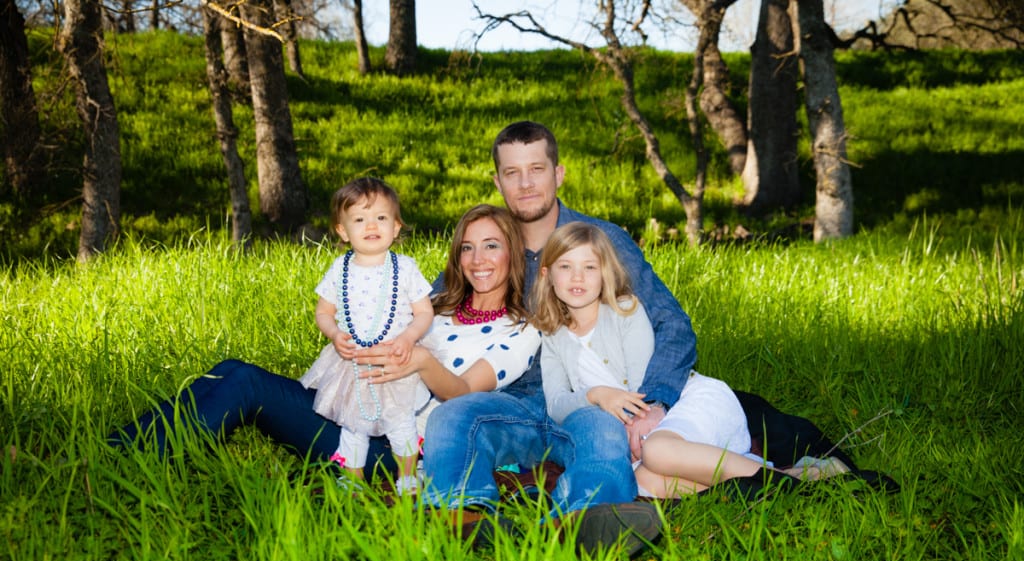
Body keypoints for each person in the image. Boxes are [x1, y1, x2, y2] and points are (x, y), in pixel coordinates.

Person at [108, 205, 542, 493]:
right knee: (232, 370)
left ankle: (125, 462)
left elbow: (464, 393)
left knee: (247, 385)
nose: (477, 258)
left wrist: (423, 361)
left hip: (391, 450)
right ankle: (127, 447)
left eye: (491, 245)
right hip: (352, 406)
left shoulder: (521, 330)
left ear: (513, 254)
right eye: (467, 247)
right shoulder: (436, 307)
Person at [419, 121, 700, 536]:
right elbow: (427, 314)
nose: (526, 184)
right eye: (512, 173)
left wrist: (653, 403)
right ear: (498, 182)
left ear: (559, 173)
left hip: (584, 398)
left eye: (536, 169)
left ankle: (583, 521)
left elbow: (671, 324)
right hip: (508, 403)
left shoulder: (601, 241)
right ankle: (465, 519)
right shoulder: (488, 246)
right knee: (453, 416)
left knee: (604, 436)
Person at [531, 222, 783, 499]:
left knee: (657, 452)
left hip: (678, 406)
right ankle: (772, 477)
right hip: (640, 435)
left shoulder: (625, 310)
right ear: (547, 274)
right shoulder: (552, 335)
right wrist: (595, 395)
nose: (577, 277)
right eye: (565, 267)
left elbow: (642, 388)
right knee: (642, 483)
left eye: (589, 267)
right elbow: (555, 405)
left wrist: (626, 418)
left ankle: (785, 482)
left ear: (605, 273)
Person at [298, 177, 434, 495]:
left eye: (381, 218)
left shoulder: (406, 268)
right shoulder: (339, 269)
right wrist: (333, 334)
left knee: (401, 422)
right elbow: (323, 311)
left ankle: (408, 476)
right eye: (359, 219)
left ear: (396, 227)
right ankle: (353, 479)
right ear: (343, 231)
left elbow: (425, 313)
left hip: (394, 360)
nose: (371, 225)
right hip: (353, 362)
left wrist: (408, 338)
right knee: (353, 425)